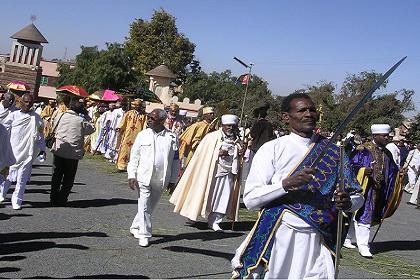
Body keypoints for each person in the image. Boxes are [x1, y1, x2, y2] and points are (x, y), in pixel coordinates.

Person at [231, 93, 363, 279]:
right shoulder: (273, 149)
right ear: (286, 117)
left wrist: (348, 202)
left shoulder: (336, 152)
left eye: (312, 110)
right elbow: (252, 200)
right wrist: (285, 184)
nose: (309, 114)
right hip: (279, 233)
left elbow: (357, 195)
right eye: (302, 110)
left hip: (320, 236)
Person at [170, 114, 243, 232]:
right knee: (203, 193)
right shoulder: (212, 137)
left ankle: (215, 221)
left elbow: (239, 154)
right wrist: (217, 153)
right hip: (210, 171)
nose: (230, 128)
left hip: (228, 173)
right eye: (228, 126)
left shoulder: (237, 139)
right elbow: (203, 152)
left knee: (223, 197)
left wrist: (240, 151)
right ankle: (192, 214)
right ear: (222, 126)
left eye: (233, 126)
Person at [346, 124, 401, 258]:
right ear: (375, 136)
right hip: (365, 188)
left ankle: (348, 238)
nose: (387, 138)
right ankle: (363, 246)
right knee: (363, 214)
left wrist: (399, 173)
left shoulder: (387, 152)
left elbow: (392, 169)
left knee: (363, 215)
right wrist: (363, 170)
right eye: (384, 136)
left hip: (379, 189)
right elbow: (350, 165)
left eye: (388, 135)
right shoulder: (363, 150)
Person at [127, 109, 179, 247]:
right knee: (144, 204)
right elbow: (135, 156)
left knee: (150, 206)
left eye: (152, 118)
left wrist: (173, 180)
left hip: (161, 178)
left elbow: (175, 161)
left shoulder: (172, 137)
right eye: (148, 117)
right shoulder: (142, 135)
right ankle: (145, 234)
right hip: (143, 175)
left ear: (162, 121)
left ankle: (135, 226)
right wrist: (131, 175)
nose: (149, 120)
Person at [0, 93, 46, 209]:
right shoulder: (13, 115)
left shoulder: (36, 118)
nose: (28, 104)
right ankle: (2, 194)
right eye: (26, 102)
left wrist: (42, 149)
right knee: (7, 176)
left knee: (22, 179)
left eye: (30, 102)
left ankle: (17, 200)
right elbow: (4, 130)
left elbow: (40, 134)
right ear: (21, 102)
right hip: (12, 151)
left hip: (27, 153)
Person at [49, 99, 95, 206]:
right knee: (69, 177)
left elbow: (53, 126)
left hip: (59, 149)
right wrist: (87, 116)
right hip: (73, 153)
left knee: (56, 175)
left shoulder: (60, 116)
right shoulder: (81, 121)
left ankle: (53, 198)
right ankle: (62, 198)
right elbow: (92, 129)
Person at [115, 99, 148, 171]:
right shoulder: (129, 113)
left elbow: (145, 125)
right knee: (124, 149)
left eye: (139, 106)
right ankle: (122, 165)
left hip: (138, 136)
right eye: (136, 106)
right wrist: (120, 127)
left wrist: (144, 133)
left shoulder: (144, 115)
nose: (137, 107)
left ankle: (132, 166)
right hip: (128, 135)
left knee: (136, 150)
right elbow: (123, 122)